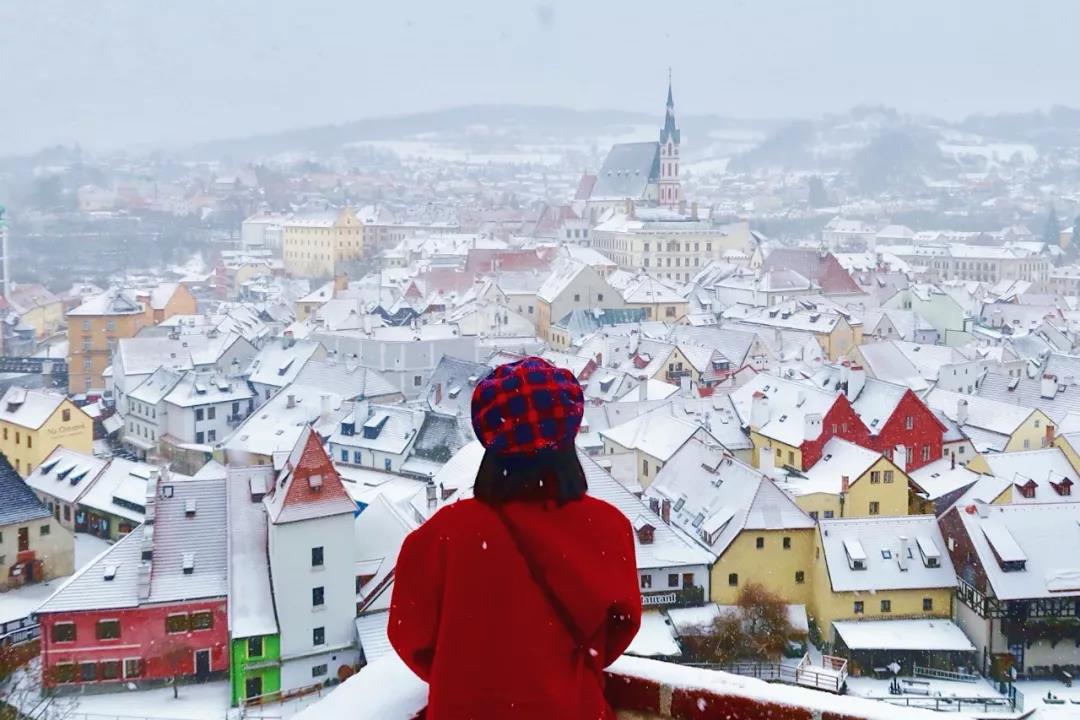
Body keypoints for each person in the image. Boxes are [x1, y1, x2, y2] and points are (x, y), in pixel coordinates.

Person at [389, 357, 642, 719]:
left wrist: (472, 679)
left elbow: (410, 637)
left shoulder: (441, 536)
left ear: (490, 442)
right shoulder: (608, 528)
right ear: (568, 437)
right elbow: (618, 631)